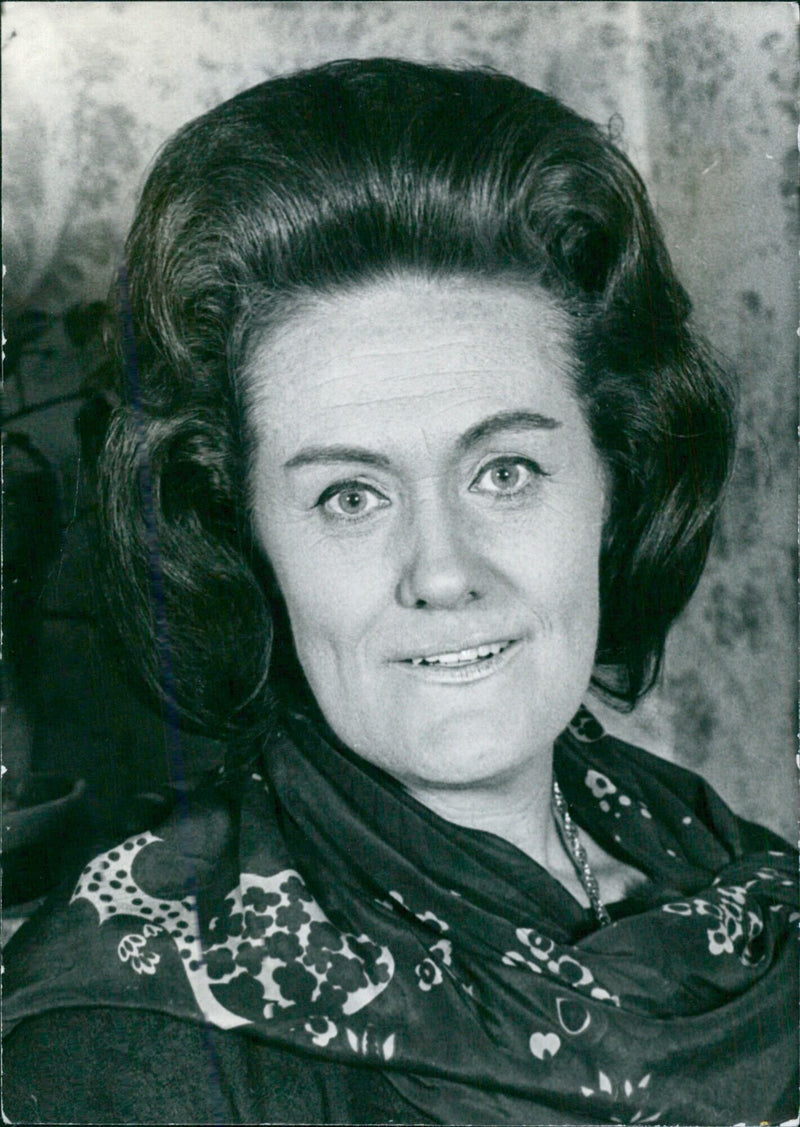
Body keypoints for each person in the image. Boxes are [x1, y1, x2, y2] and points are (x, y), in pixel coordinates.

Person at [4, 58, 797, 1125]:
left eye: (503, 471)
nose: (441, 571)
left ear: (614, 480)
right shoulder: (121, 1037)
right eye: (347, 495)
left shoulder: (742, 879)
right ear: (244, 536)